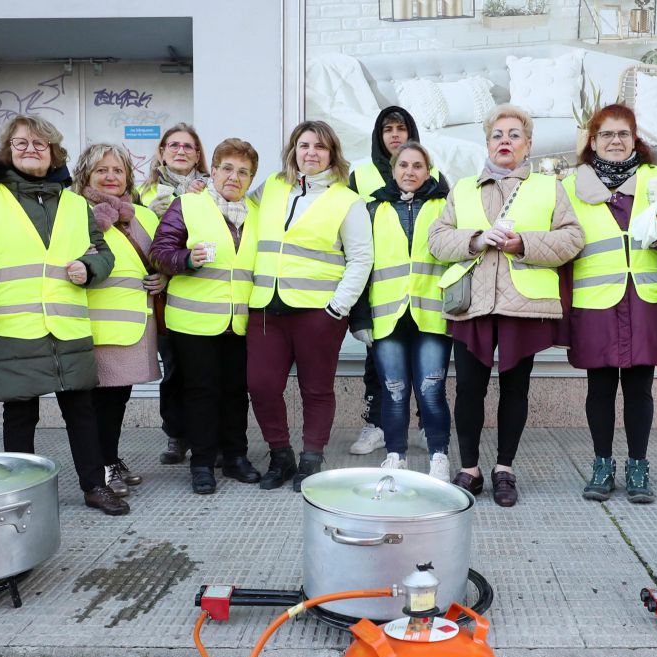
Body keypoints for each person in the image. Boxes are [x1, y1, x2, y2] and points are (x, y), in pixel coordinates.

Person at [0, 115, 126, 515]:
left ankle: (94, 486)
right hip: (15, 327)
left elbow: (103, 253)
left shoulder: (75, 203)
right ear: (7, 151)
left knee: (81, 413)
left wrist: (90, 267)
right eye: (21, 144)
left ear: (53, 153)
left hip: (66, 327)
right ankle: (21, 491)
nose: (31, 150)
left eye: (40, 145)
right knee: (20, 414)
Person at [428, 104, 584, 507]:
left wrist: (525, 244)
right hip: (472, 303)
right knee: (468, 390)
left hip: (523, 303)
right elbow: (436, 240)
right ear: (487, 142)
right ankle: (470, 469)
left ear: (528, 145)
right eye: (498, 135)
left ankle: (504, 469)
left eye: (515, 135)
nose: (505, 142)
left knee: (516, 389)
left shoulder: (549, 187)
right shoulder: (462, 188)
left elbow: (572, 239)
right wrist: (476, 239)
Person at [563, 103, 657, 503]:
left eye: (623, 134)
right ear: (592, 142)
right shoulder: (570, 186)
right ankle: (601, 464)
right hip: (596, 300)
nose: (615, 141)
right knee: (599, 388)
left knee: (639, 389)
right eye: (606, 134)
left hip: (646, 299)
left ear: (635, 140)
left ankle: (637, 466)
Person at [246, 120, 373, 491]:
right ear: (293, 151)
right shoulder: (271, 187)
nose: (311, 153)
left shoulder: (347, 201)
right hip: (266, 309)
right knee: (261, 385)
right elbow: (232, 208)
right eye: (304, 146)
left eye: (320, 147)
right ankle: (280, 455)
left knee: (316, 389)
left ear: (332, 154)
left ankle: (311, 459)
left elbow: (361, 259)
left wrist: (337, 308)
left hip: (318, 314)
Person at [150, 138, 263, 494]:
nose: (234, 176)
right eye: (227, 168)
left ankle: (236, 457)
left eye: (243, 171)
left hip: (240, 321)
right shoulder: (187, 204)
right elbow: (159, 251)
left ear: (250, 178)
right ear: (212, 172)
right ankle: (201, 464)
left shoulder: (258, 216)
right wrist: (184, 259)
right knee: (200, 393)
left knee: (235, 392)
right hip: (194, 322)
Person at [349, 142, 452, 480]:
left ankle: (439, 456)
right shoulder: (373, 208)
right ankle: (396, 457)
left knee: (431, 389)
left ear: (428, 171)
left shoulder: (445, 206)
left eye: (418, 166)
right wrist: (359, 317)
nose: (410, 172)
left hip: (432, 315)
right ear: (393, 170)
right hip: (386, 317)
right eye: (403, 165)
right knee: (393, 391)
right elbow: (360, 265)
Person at [71, 142, 163, 497]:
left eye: (117, 170)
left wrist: (164, 277)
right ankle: (102, 467)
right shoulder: (74, 212)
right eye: (102, 170)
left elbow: (161, 257)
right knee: (95, 404)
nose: (111, 177)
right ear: (86, 175)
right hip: (92, 324)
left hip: (133, 325)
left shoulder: (144, 215)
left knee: (117, 399)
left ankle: (110, 459)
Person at [139, 123, 210, 467]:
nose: (180, 151)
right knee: (173, 370)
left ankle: (206, 438)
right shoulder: (142, 192)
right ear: (162, 152)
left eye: (188, 146)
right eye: (173, 145)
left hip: (200, 292)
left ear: (198, 155)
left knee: (201, 371)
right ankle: (177, 434)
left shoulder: (213, 190)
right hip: (157, 296)